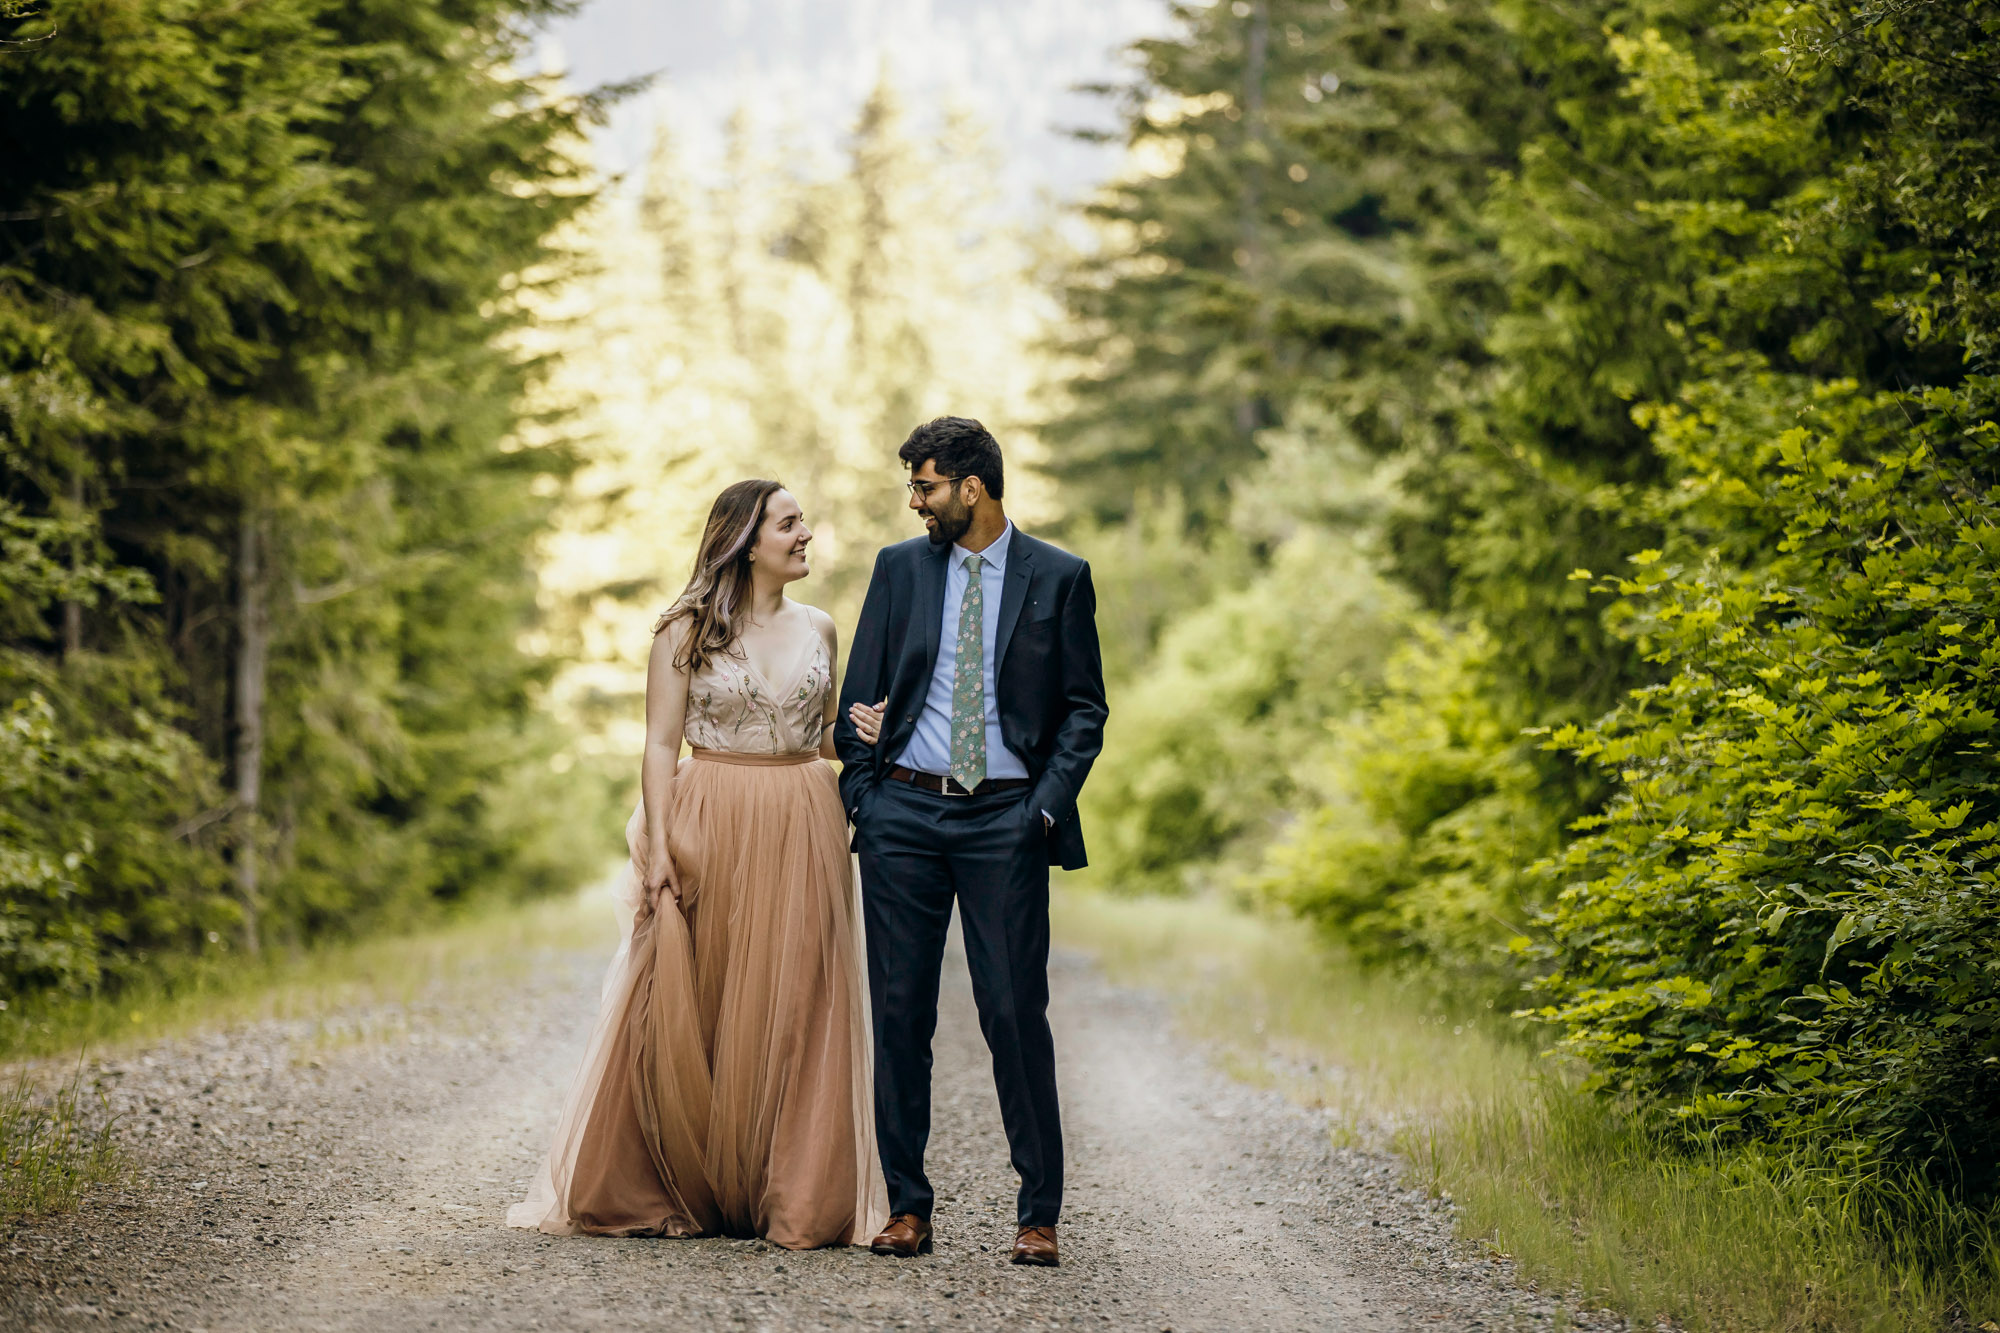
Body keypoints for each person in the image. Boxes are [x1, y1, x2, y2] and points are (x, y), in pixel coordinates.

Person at [509, 479, 888, 1249]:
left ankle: (793, 1189)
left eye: (801, 521)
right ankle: (672, 1180)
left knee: (798, 999)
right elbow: (658, 742)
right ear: (748, 540)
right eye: (790, 523)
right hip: (710, 809)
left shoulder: (821, 626)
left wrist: (866, 734)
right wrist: (658, 840)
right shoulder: (684, 629)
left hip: (806, 817)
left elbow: (822, 743)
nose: (806, 533)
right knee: (702, 991)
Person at [836, 416, 1107, 1268]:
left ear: (971, 488)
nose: (916, 502)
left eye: (924, 487)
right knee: (900, 1012)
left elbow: (1084, 711)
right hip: (905, 819)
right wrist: (866, 797)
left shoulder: (1059, 576)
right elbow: (858, 700)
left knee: (1013, 1012)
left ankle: (1039, 1214)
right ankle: (906, 1207)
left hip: (1006, 820)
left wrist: (1043, 810)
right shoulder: (898, 569)